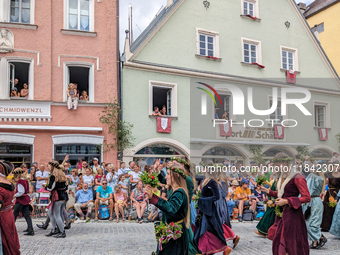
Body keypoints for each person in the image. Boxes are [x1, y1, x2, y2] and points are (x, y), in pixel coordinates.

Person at [260, 152, 310, 255]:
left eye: (279, 164)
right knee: (279, 244)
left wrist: (287, 201)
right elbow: (281, 194)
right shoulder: (281, 176)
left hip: (292, 216)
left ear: (286, 163)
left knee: (289, 245)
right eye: (276, 165)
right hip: (281, 216)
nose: (277, 167)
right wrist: (268, 192)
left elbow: (306, 197)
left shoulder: (297, 176)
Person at [145, 163, 190, 255]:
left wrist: (153, 197)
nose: (166, 177)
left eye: (168, 174)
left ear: (177, 175)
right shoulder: (173, 189)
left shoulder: (179, 192)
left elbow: (171, 208)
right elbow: (163, 180)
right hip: (171, 230)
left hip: (176, 234)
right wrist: (157, 171)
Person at [302, 169, 327, 249]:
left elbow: (310, 189)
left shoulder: (317, 178)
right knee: (307, 222)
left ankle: (320, 238)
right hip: (310, 202)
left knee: (313, 223)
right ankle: (315, 241)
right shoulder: (312, 177)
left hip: (315, 202)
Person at [0, 161, 20, 255]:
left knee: (5, 238)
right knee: (10, 236)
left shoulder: (1, 187)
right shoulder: (9, 183)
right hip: (8, 213)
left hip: (2, 216)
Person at [45, 161, 68, 238]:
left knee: (57, 215)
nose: (48, 167)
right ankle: (54, 229)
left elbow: (51, 188)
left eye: (49, 166)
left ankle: (62, 231)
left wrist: (45, 187)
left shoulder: (53, 176)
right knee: (51, 212)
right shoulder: (62, 176)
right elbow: (66, 187)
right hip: (63, 196)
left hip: (57, 197)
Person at [12, 168, 34, 236]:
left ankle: (11, 229)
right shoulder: (26, 180)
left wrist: (14, 195)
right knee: (26, 215)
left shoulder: (20, 181)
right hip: (26, 199)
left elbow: (21, 192)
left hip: (21, 199)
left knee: (15, 214)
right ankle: (30, 229)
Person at [255, 173, 277, 238]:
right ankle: (263, 231)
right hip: (272, 198)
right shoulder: (275, 181)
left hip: (274, 200)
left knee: (269, 217)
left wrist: (273, 201)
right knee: (268, 216)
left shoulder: (279, 181)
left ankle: (264, 231)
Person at [320, 163, 340, 231]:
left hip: (336, 194)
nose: (336, 168)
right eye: (335, 166)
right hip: (329, 193)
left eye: (338, 167)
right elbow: (323, 173)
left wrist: (337, 192)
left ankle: (332, 227)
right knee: (326, 209)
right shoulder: (329, 174)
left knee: (334, 210)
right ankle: (325, 226)